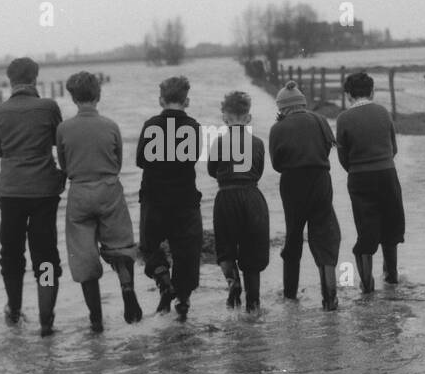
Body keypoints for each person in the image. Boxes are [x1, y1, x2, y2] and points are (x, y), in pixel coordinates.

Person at [56, 71, 142, 332]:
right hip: (108, 188)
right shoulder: (110, 125)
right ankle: (127, 287)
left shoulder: (63, 129)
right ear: (98, 95)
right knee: (120, 244)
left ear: (72, 97)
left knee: (83, 255)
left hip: (79, 190)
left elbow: (63, 163)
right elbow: (118, 162)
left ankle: (96, 319)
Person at [0, 57, 64, 335]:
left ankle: (15, 311)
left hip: (11, 192)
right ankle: (46, 320)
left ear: (10, 80)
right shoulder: (49, 107)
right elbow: (59, 140)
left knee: (11, 253)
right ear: (35, 78)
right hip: (44, 189)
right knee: (45, 255)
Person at [268, 80, 342, 310]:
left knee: (294, 236)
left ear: (282, 107)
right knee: (325, 235)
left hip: (292, 184)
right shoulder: (320, 120)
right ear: (302, 103)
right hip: (321, 180)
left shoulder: (278, 129)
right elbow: (329, 146)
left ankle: (290, 298)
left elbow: (277, 164)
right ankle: (330, 299)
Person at [136, 74, 203, 320]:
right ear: (187, 101)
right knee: (187, 250)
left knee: (149, 244)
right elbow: (194, 158)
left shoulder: (151, 125)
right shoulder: (194, 127)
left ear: (161, 100)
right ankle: (183, 302)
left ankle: (163, 278)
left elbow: (141, 160)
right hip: (185, 198)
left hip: (154, 198)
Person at [335, 70, 404, 288]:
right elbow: (394, 148)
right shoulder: (383, 112)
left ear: (348, 95)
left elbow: (342, 157)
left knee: (366, 227)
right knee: (391, 225)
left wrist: (357, 169)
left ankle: (367, 285)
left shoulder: (343, 118)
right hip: (387, 173)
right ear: (372, 92)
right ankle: (392, 277)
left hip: (359, 178)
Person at [206, 90, 269, 312]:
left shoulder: (218, 143)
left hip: (226, 197)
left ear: (224, 117)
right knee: (253, 253)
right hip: (252, 196)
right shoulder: (259, 143)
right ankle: (254, 304)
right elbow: (259, 172)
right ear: (248, 118)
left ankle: (233, 282)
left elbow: (212, 171)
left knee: (225, 248)